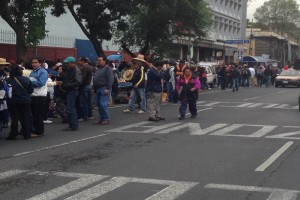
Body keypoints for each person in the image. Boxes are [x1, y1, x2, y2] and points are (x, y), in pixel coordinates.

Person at [6, 65, 34, 140]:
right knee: (25, 117)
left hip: (13, 101)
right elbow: (31, 90)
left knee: (14, 118)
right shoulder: (26, 79)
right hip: (25, 100)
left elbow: (7, 91)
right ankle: (27, 134)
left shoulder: (9, 80)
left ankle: (13, 134)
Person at [57, 56, 82, 131]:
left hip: (72, 90)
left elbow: (78, 82)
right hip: (70, 90)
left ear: (72, 63)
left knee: (71, 108)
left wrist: (66, 85)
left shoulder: (76, 70)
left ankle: (73, 125)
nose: (66, 64)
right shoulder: (70, 69)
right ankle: (72, 125)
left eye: (67, 63)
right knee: (70, 108)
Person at [29, 57, 48, 137]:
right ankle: (33, 129)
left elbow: (41, 83)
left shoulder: (43, 72)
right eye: (33, 62)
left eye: (36, 62)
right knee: (33, 114)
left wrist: (30, 82)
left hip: (40, 96)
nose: (33, 64)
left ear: (40, 63)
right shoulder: (32, 72)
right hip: (32, 95)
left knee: (38, 114)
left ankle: (39, 131)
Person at [93, 56, 114, 125]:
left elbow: (110, 79)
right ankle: (102, 118)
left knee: (103, 104)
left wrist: (107, 88)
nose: (98, 62)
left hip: (104, 87)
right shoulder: (98, 68)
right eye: (98, 60)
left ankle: (106, 118)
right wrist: (94, 88)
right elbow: (95, 78)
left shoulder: (108, 68)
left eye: (100, 60)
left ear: (104, 61)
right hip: (98, 88)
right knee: (99, 104)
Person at [77, 57, 93, 121]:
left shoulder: (85, 67)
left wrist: (78, 84)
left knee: (83, 102)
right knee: (88, 101)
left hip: (85, 86)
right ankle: (89, 115)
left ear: (83, 61)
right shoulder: (89, 66)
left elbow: (82, 78)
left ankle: (84, 116)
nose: (78, 62)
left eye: (79, 61)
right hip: (88, 85)